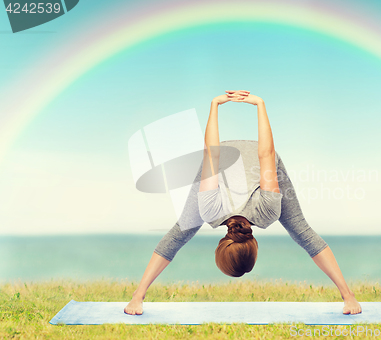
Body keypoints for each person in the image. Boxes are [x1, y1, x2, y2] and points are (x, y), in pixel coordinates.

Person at [124, 90, 362, 316]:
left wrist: (251, 104)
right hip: (231, 158)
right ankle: (347, 295)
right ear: (221, 243)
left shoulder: (229, 209)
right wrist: (225, 105)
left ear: (255, 245)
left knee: (302, 232)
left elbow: (219, 155)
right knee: (300, 231)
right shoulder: (238, 210)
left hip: (226, 159)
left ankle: (349, 296)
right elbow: (258, 155)